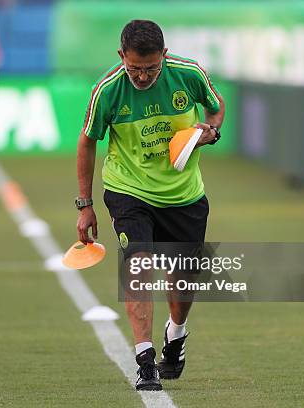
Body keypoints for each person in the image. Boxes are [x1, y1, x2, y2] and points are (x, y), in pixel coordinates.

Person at [74, 19, 225, 391]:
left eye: (151, 68)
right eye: (135, 68)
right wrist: (85, 204)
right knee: (138, 264)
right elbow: (87, 142)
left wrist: (210, 131)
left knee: (182, 282)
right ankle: (145, 359)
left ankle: (176, 334)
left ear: (165, 57)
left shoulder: (188, 75)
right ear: (121, 56)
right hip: (129, 191)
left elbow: (215, 107)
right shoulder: (107, 91)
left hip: (184, 195)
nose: (142, 77)